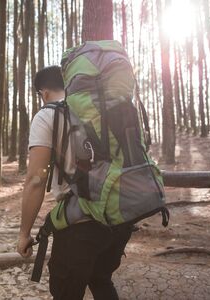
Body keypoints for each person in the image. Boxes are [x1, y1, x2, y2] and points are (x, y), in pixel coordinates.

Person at [17, 66, 133, 300]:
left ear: (44, 92)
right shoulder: (103, 110)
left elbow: (36, 180)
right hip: (122, 215)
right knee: (101, 280)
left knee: (66, 292)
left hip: (80, 224)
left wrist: (24, 233)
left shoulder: (48, 114)